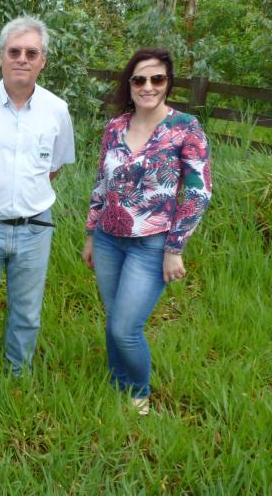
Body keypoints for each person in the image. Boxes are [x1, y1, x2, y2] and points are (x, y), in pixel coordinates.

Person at [81, 48, 212, 415]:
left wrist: (175, 247)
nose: (148, 86)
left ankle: (138, 394)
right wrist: (91, 234)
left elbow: (199, 192)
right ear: (130, 84)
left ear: (168, 83)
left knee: (126, 327)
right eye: (139, 79)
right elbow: (100, 183)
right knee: (114, 317)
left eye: (157, 79)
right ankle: (116, 383)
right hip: (108, 238)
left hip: (151, 245)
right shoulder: (115, 127)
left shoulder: (185, 127)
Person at [0, 16, 75, 374]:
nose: (22, 58)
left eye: (31, 52)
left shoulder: (57, 110)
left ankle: (16, 375)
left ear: (43, 61)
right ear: (1, 57)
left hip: (35, 228)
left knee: (27, 311)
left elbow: (54, 167)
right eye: (14, 51)